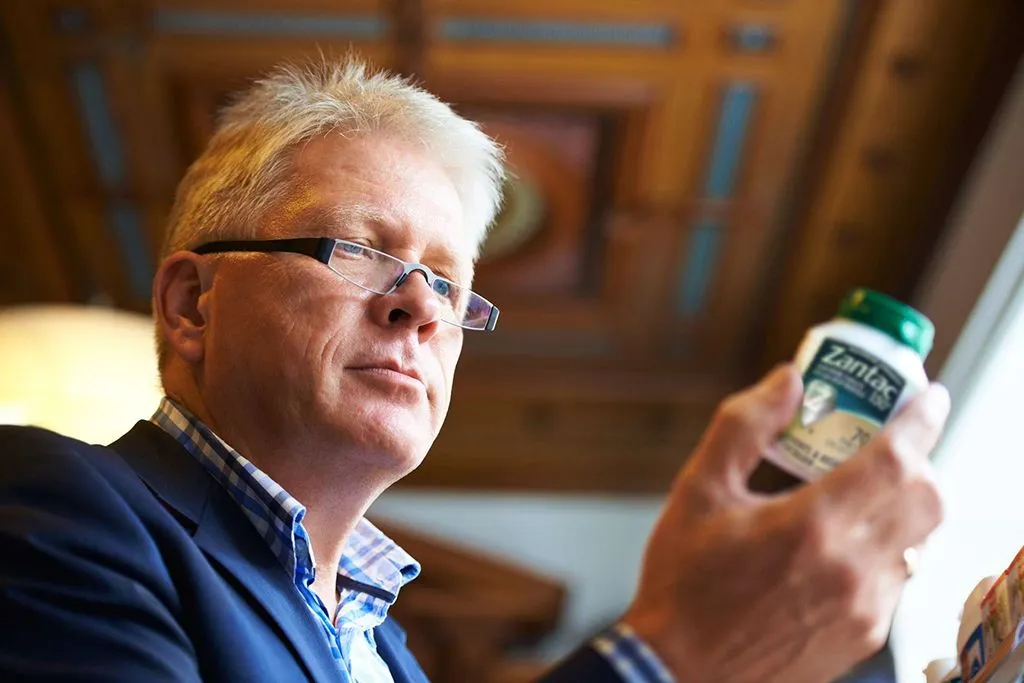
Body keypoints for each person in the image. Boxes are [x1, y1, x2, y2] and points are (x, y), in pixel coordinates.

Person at [0, 58, 950, 683]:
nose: (418, 306)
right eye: (359, 249)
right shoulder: (51, 505)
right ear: (192, 306)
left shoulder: (392, 654)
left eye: (449, 284)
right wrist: (663, 658)